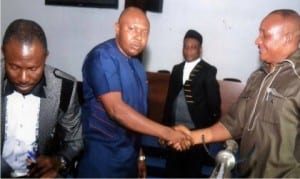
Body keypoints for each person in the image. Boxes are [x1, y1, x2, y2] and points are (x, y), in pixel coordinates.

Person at [173, 9, 300, 178]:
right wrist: (191, 137)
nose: (257, 40)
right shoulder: (257, 77)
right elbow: (232, 124)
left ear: (288, 38)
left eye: (265, 35)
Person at [76, 7, 191, 178]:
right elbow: (117, 110)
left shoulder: (137, 66)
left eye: (144, 32)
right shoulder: (102, 57)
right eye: (132, 29)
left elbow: (136, 118)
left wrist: (141, 155)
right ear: (117, 28)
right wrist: (168, 133)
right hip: (102, 161)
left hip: (129, 158)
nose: (138, 36)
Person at [1, 19, 83, 178]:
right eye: (14, 67)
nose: (23, 78)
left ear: (45, 57)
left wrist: (58, 161)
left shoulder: (64, 88)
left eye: (33, 68)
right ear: (4, 53)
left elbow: (76, 141)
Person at [162, 29, 221, 178]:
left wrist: (206, 132)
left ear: (200, 50)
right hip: (174, 130)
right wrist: (164, 128)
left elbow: (214, 104)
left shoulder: (208, 71)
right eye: (185, 46)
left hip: (195, 132)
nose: (188, 50)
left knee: (191, 171)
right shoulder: (177, 69)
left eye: (193, 47)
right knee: (172, 170)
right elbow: (169, 101)